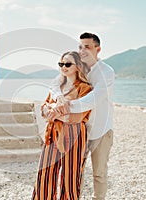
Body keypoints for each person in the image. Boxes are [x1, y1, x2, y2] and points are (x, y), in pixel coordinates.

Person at [48, 32, 115, 200]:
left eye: (87, 47)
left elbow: (93, 99)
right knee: (76, 170)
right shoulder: (77, 65)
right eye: (80, 46)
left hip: (101, 129)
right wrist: (59, 99)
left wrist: (66, 106)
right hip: (79, 130)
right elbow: (55, 85)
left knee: (99, 173)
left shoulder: (106, 72)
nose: (82, 50)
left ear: (97, 49)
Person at [32, 51, 92, 200]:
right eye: (61, 64)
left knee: (70, 176)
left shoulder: (85, 88)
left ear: (77, 66)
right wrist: (50, 110)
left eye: (67, 64)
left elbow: (79, 116)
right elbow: (43, 107)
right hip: (52, 133)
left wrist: (55, 113)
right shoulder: (57, 87)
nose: (63, 67)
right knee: (45, 172)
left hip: (75, 133)